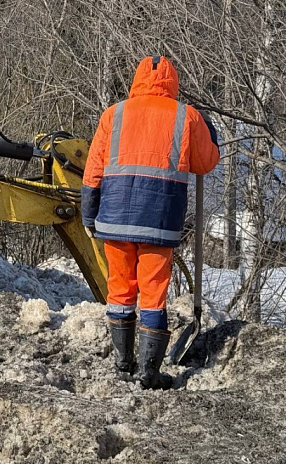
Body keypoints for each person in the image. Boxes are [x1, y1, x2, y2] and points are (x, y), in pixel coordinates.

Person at [81, 55, 219, 389]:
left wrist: (89, 211)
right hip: (159, 221)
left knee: (120, 289)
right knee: (153, 293)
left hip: (115, 219)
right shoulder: (186, 117)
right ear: (173, 82)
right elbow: (205, 163)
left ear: (136, 80)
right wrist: (209, 130)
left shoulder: (114, 114)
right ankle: (149, 372)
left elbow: (94, 170)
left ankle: (123, 361)